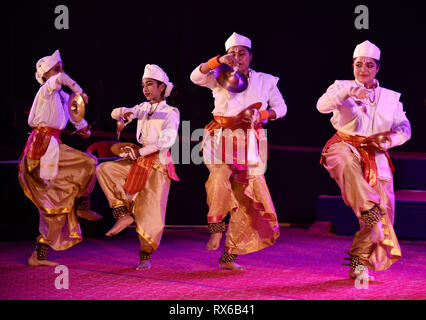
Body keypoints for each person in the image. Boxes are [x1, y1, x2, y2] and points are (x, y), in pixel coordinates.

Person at [190, 32, 287, 270]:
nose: (237, 57)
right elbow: (194, 77)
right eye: (232, 53)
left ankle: (230, 255)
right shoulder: (218, 76)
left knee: (246, 200)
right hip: (220, 136)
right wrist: (217, 62)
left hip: (250, 141)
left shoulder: (265, 81)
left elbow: (281, 107)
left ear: (250, 56)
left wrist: (263, 115)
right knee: (219, 178)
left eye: (241, 53)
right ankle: (215, 228)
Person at [317, 40, 411, 279]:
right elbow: (321, 106)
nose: (363, 70)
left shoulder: (390, 98)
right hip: (343, 146)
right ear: (352, 66)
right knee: (347, 164)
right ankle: (370, 210)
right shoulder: (341, 86)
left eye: (369, 65)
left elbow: (404, 128)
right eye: (359, 65)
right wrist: (348, 92)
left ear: (377, 68)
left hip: (375, 153)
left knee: (385, 213)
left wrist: (389, 141)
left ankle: (359, 262)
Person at [18, 49, 100, 267]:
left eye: (61, 67)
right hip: (42, 148)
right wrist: (80, 90)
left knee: (55, 205)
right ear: (45, 75)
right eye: (55, 69)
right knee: (87, 163)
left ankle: (39, 255)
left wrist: (83, 129)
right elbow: (63, 81)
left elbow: (76, 113)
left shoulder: (63, 96)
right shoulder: (46, 90)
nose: (60, 72)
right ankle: (82, 205)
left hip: (54, 146)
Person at [96, 64, 180, 270]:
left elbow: (167, 141)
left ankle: (145, 255)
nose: (145, 89)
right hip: (139, 160)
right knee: (105, 169)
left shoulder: (171, 112)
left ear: (162, 87)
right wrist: (122, 114)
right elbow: (117, 112)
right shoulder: (143, 108)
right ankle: (122, 214)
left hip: (158, 164)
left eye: (150, 84)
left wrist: (140, 152)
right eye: (143, 85)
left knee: (150, 213)